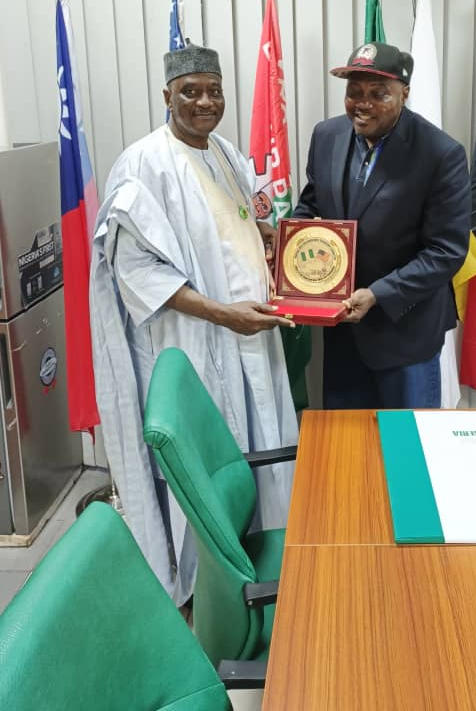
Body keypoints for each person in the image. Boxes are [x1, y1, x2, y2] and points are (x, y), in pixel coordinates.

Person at [90, 44, 298, 601]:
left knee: (259, 444)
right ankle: (208, 593)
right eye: (190, 92)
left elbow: (250, 227)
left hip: (252, 337)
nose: (204, 102)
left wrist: (281, 249)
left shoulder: (228, 154)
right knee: (209, 464)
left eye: (213, 90)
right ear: (166, 96)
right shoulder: (143, 165)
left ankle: (259, 566)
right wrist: (219, 313)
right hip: (197, 343)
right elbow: (136, 270)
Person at [294, 41, 470, 409]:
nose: (363, 103)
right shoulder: (326, 136)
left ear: (404, 94)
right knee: (348, 450)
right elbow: (311, 206)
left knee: (407, 451)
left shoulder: (441, 154)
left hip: (405, 336)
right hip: (341, 332)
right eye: (354, 92)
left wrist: (378, 294)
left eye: (379, 93)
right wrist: (286, 246)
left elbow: (446, 251)